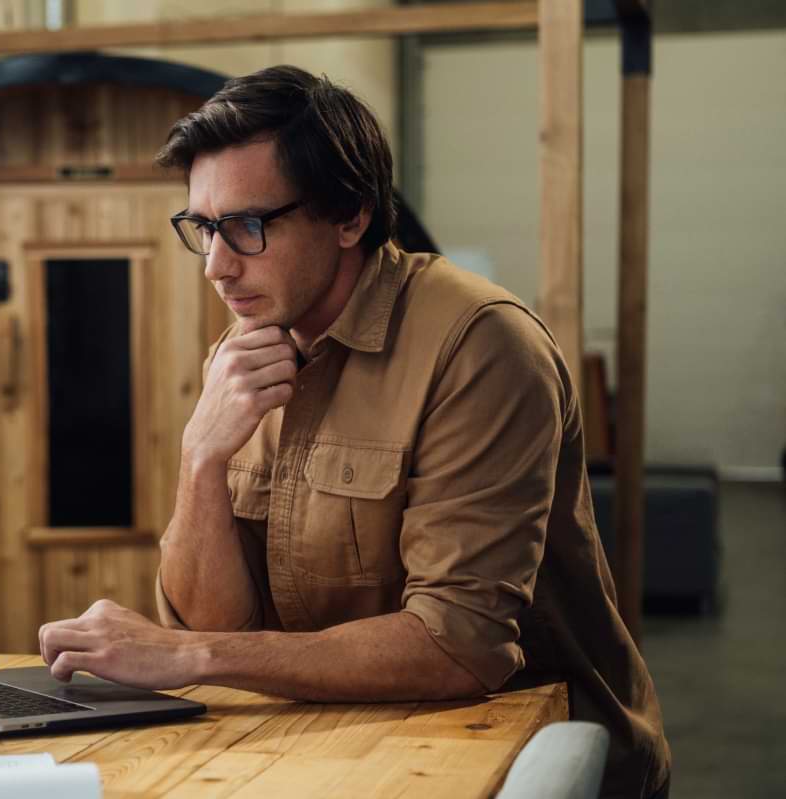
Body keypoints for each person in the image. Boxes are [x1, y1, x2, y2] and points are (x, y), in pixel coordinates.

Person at [37, 65, 670, 798]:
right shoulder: (245, 350)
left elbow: (455, 647)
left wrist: (188, 653)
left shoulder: (481, 347)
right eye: (203, 228)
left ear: (351, 217)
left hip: (523, 757)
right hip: (339, 742)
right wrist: (201, 457)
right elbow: (219, 620)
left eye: (246, 226)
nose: (215, 265)